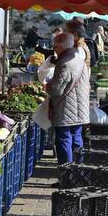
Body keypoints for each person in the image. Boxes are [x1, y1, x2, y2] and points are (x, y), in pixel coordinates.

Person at [45, 33, 90, 165]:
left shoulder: (65, 62)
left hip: (66, 108)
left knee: (64, 140)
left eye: (55, 46)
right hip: (79, 107)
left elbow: (56, 89)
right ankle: (78, 170)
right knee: (76, 138)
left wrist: (47, 86)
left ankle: (66, 174)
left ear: (60, 45)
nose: (54, 49)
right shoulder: (78, 59)